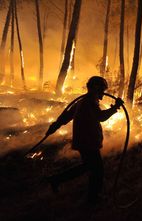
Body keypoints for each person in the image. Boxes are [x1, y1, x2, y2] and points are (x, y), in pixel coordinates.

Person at [45, 76, 124, 204]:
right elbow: (101, 117)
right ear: (95, 88)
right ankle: (92, 200)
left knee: (88, 166)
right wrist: (115, 108)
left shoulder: (83, 101)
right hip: (88, 142)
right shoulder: (88, 102)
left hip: (85, 141)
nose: (103, 92)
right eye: (102, 88)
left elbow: (66, 116)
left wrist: (55, 126)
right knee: (97, 171)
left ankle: (56, 180)